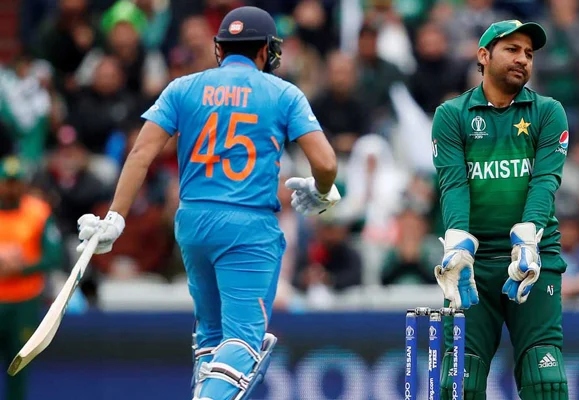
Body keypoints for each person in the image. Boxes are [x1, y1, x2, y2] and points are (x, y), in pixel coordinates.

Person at [74, 6, 340, 400]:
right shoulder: (284, 92)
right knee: (245, 344)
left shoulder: (183, 87)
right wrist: (321, 190)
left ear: (219, 48)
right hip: (248, 227)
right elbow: (327, 162)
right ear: (266, 51)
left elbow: (140, 154)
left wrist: (115, 216)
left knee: (211, 339)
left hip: (193, 223)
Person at [431, 20, 570, 399]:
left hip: (534, 257)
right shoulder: (451, 115)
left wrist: (528, 236)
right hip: (472, 266)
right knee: (458, 383)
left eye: (529, 53)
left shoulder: (548, 112)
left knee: (547, 381)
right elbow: (454, 184)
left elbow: (545, 181)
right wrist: (457, 245)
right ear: (483, 56)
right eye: (512, 49)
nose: (523, 59)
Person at [0, 156, 63, 400]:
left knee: (19, 367)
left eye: (16, 182)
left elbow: (54, 256)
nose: (11, 187)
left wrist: (21, 268)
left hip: (23, 301)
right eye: (7, 182)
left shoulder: (37, 211)